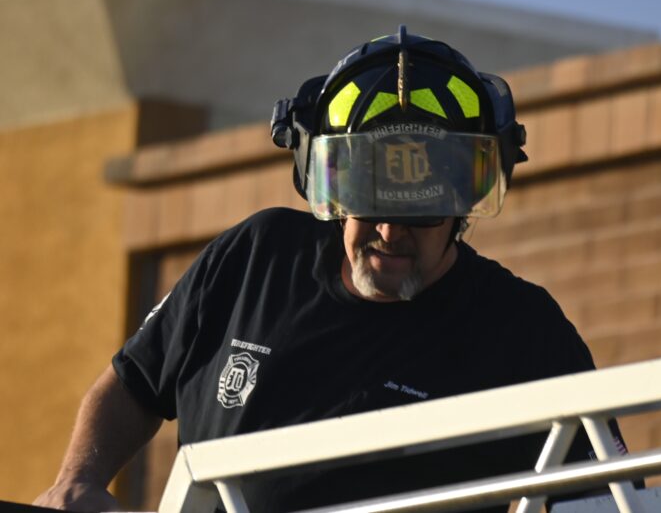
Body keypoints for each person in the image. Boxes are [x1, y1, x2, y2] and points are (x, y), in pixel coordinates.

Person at [36, 27, 629, 512]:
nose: (390, 233)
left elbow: (607, 497)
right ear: (334, 190)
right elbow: (135, 382)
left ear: (460, 205)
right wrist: (78, 479)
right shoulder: (253, 261)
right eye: (372, 203)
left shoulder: (522, 332)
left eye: (418, 211)